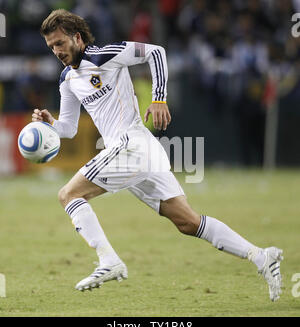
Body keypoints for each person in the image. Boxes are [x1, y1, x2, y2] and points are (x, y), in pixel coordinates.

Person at [32, 9, 283, 301]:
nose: (56, 51)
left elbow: (156, 52)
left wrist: (159, 98)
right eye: (51, 47)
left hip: (132, 144)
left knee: (68, 194)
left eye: (60, 43)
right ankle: (261, 256)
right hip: (137, 152)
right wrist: (52, 125)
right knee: (188, 222)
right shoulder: (67, 79)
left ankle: (108, 261)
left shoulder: (104, 56)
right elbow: (70, 128)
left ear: (77, 37)